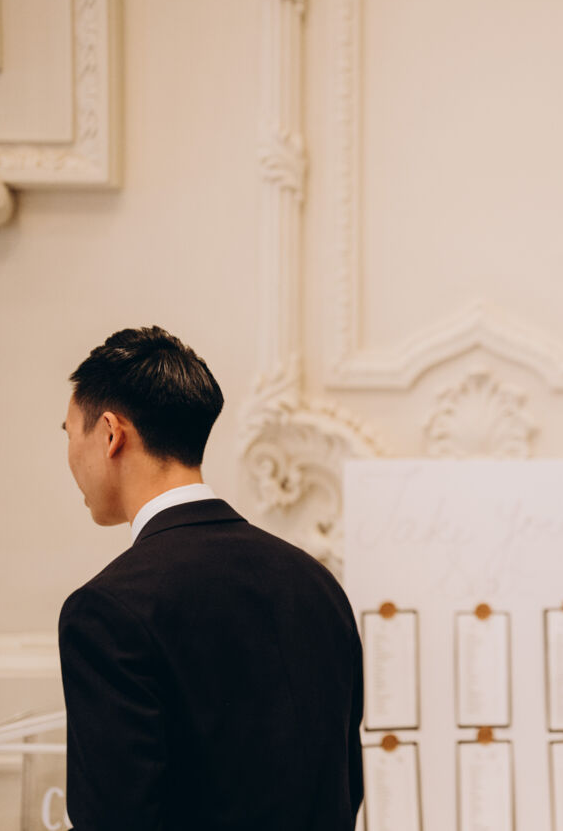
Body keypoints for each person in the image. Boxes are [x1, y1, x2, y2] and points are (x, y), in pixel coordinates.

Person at [58, 326, 364, 830]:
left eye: (69, 433)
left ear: (111, 434)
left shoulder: (106, 610)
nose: (70, 455)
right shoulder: (317, 584)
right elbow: (344, 787)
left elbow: (114, 818)